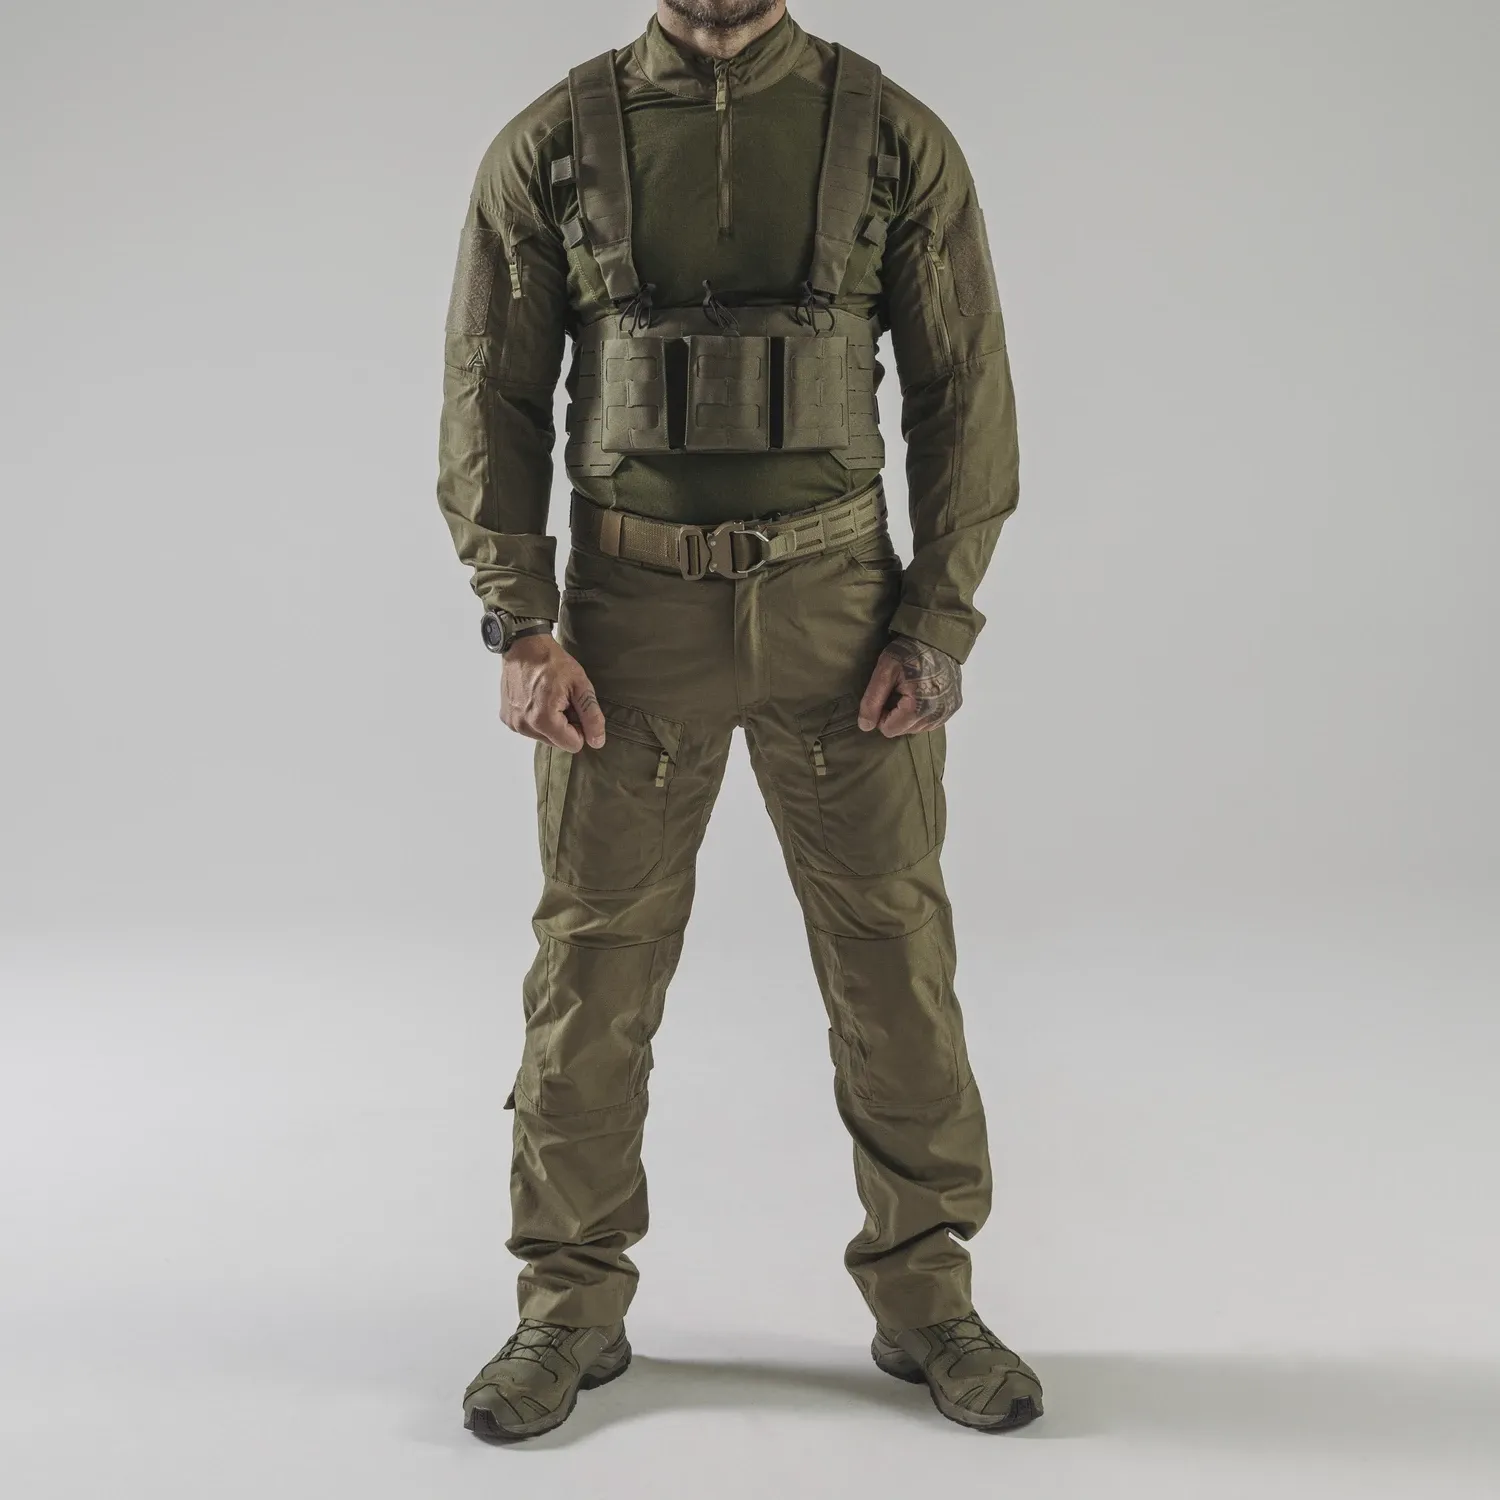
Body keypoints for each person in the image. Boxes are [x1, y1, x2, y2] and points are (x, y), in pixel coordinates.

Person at [436, 0, 1041, 1440]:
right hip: (626, 628)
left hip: (844, 620)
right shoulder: (550, 143)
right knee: (593, 969)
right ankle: (567, 1308)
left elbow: (965, 390)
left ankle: (929, 1298)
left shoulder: (893, 138)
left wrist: (939, 618)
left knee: (895, 960)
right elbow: (490, 389)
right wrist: (520, 619)